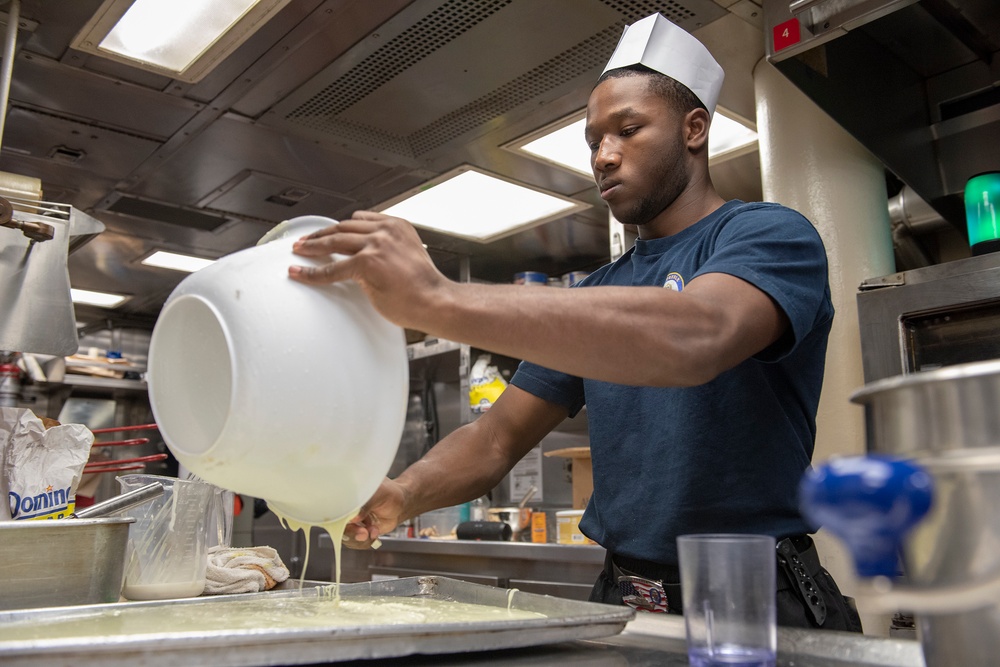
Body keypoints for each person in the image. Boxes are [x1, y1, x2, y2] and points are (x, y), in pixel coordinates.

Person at [288, 13, 862, 632]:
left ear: (694, 129)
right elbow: (496, 438)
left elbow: (699, 332)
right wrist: (404, 492)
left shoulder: (768, 236)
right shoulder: (599, 291)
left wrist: (437, 299)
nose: (604, 156)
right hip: (623, 599)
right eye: (593, 141)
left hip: (754, 601)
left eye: (628, 130)